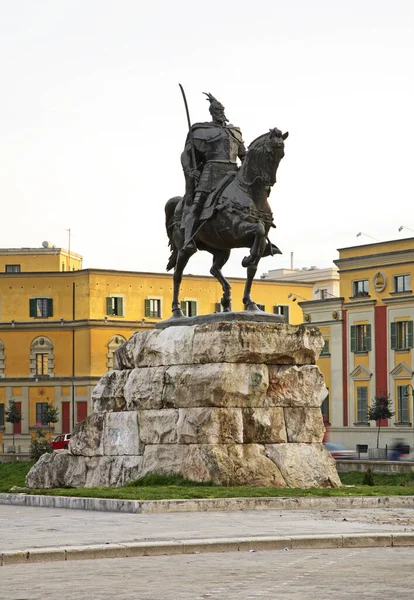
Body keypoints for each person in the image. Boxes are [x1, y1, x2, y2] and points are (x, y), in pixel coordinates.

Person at [181, 92, 247, 252]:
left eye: (222, 110)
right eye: (217, 111)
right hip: (210, 174)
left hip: (233, 173)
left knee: (251, 200)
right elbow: (186, 155)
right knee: (198, 204)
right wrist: (190, 171)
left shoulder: (235, 132)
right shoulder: (200, 130)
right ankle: (188, 238)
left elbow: (243, 155)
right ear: (212, 113)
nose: (220, 113)